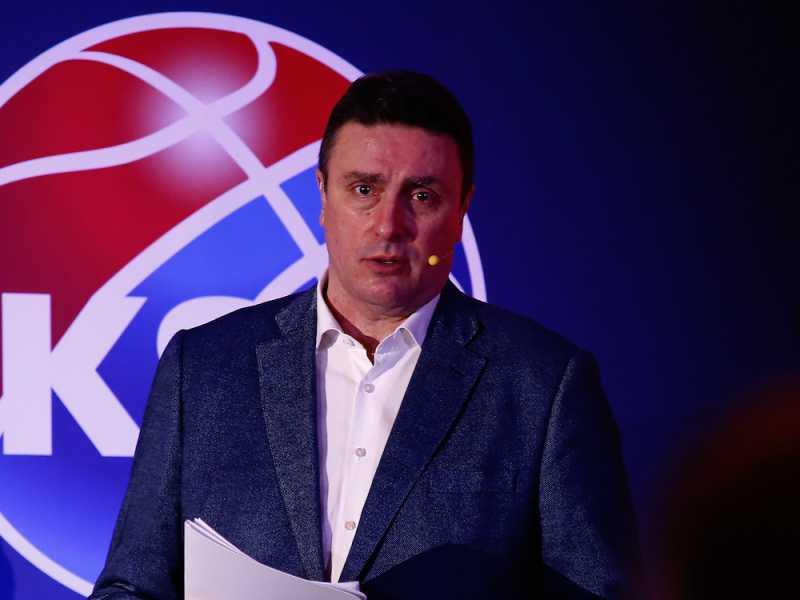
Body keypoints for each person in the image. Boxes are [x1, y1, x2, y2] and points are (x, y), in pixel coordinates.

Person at [89, 71, 642, 600]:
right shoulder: (203, 366)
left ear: (461, 210)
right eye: (364, 189)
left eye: (422, 196)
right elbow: (132, 588)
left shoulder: (543, 384)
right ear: (323, 196)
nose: (388, 224)